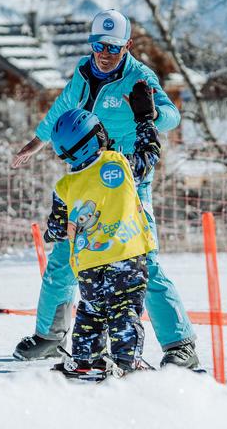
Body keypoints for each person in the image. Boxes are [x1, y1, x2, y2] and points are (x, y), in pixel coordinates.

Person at [12, 9, 199, 369]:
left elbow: (172, 115)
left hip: (128, 180)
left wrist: (153, 113)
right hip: (84, 179)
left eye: (113, 47)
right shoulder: (84, 72)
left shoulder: (139, 77)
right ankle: (49, 336)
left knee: (144, 259)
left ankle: (180, 345)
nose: (105, 53)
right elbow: (63, 106)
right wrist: (38, 140)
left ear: (127, 45)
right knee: (65, 256)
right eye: (99, 45)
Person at [46, 97, 158, 376]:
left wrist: (52, 231)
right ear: (98, 137)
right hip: (126, 255)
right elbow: (150, 154)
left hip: (87, 263)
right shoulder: (119, 163)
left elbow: (58, 227)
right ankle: (125, 362)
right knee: (124, 309)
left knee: (92, 309)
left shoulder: (64, 186)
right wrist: (144, 119)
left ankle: (85, 359)